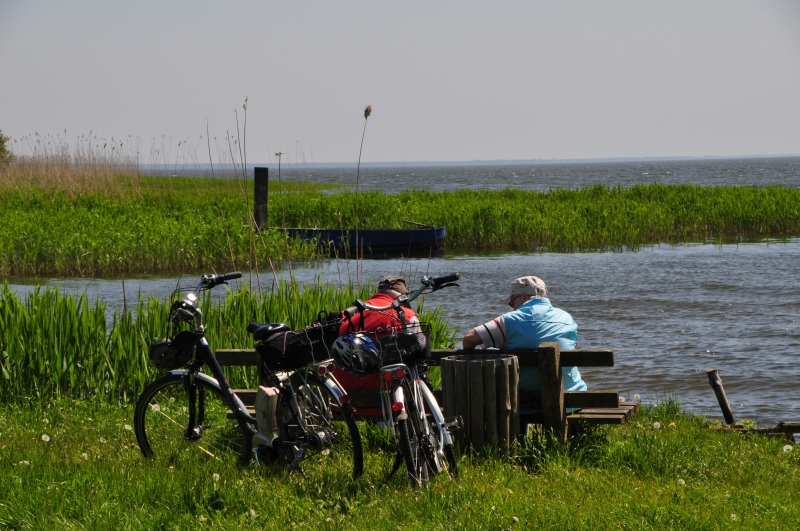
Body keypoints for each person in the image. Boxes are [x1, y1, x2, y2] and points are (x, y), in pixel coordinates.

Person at [462, 276, 587, 401]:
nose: (513, 307)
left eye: (512, 302)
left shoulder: (509, 320)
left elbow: (468, 340)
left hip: (526, 403)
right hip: (571, 399)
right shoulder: (567, 318)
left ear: (524, 296)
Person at [331, 275, 424, 416]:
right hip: (388, 404)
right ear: (402, 296)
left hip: (343, 404)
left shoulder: (345, 317)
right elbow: (421, 346)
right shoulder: (407, 315)